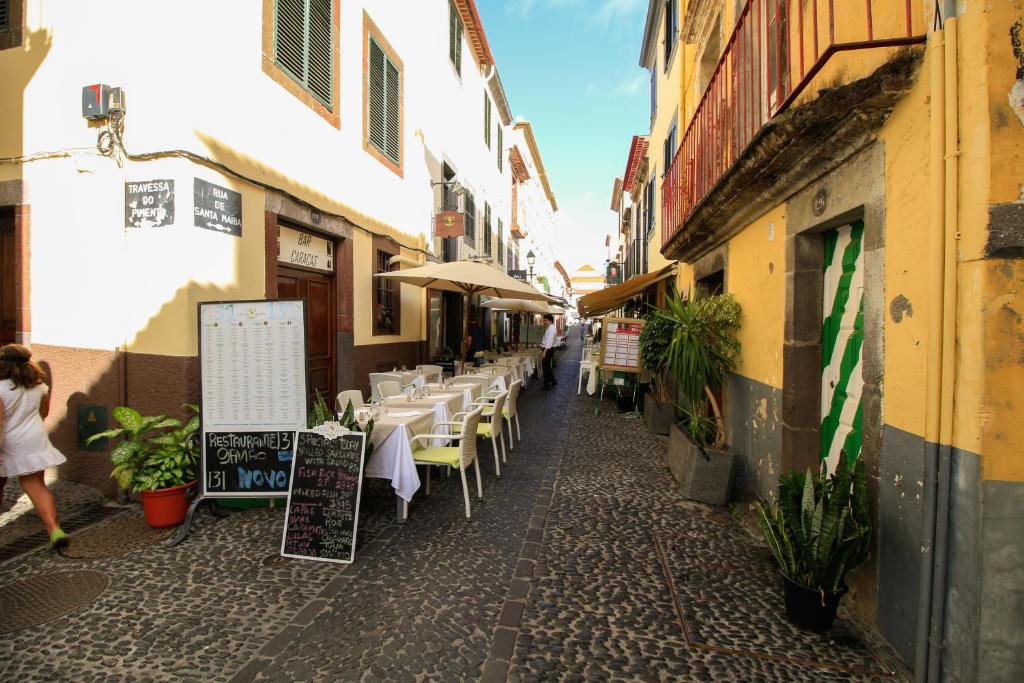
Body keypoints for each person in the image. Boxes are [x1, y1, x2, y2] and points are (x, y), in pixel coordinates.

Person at [0, 344, 69, 548]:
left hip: (9, 442)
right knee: (36, 485)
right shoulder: (39, 386)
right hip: (34, 438)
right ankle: (54, 528)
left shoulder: (1, 389)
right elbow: (44, 413)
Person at [540, 313, 557, 390]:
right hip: (547, 349)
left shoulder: (551, 329)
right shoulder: (549, 327)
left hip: (548, 349)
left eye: (546, 320)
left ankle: (546, 385)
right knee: (547, 367)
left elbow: (549, 341)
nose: (544, 322)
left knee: (545, 368)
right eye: (544, 320)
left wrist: (544, 352)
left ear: (550, 321)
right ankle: (553, 381)